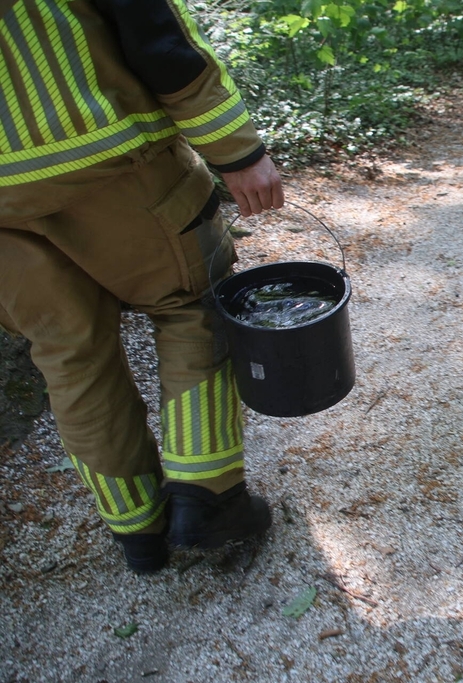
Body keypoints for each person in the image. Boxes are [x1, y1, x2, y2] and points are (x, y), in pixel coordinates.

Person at [0, 0, 284, 573]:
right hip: (104, 157)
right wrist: (238, 150)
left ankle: (136, 526)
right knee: (193, 304)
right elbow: (157, 36)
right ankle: (209, 502)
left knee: (67, 351)